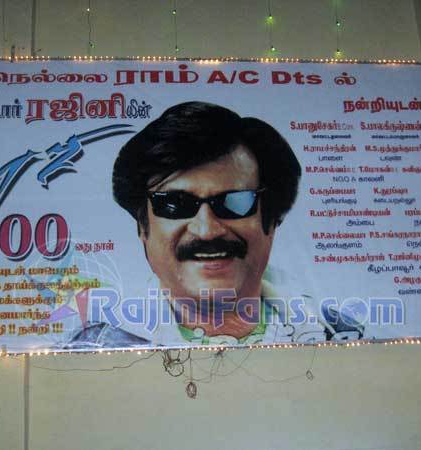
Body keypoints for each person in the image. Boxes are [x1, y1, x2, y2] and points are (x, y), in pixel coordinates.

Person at [64, 101, 363, 349]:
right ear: (143, 226)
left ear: (271, 221)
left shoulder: (342, 335)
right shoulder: (99, 345)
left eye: (235, 202)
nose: (207, 230)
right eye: (175, 203)